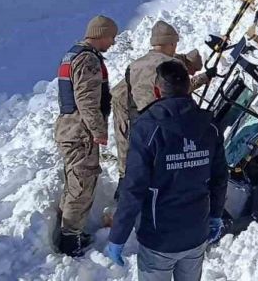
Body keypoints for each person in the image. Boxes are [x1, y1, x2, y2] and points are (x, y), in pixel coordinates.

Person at [106, 61, 228, 280]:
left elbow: (134, 187)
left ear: (157, 90)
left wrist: (118, 236)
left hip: (158, 236)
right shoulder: (209, 126)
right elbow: (219, 177)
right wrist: (216, 215)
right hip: (196, 230)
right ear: (187, 88)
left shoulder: (147, 128)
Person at [111, 22, 215, 181]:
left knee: (135, 158)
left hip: (136, 119)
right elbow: (179, 91)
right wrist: (203, 79)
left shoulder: (135, 65)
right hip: (162, 122)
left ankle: (125, 183)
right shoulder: (171, 65)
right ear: (171, 43)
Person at [54, 15, 118, 256]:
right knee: (81, 184)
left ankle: (71, 230)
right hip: (81, 132)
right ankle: (70, 240)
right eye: (111, 37)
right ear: (101, 34)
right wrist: (99, 131)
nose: (112, 42)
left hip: (70, 129)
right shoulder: (88, 60)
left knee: (74, 183)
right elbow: (87, 101)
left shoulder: (72, 54)